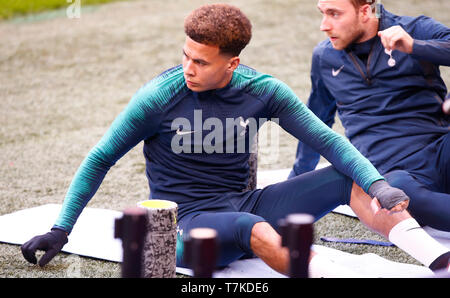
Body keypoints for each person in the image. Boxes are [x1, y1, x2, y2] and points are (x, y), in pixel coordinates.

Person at [21, 3, 449, 276]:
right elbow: (100, 159)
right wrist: (61, 229)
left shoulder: (263, 90)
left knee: (343, 176)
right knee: (250, 227)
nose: (188, 67)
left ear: (233, 63)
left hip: (244, 203)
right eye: (185, 55)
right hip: (187, 223)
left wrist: (378, 186)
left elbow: (329, 142)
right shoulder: (158, 97)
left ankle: (437, 260)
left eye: (201, 62)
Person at [289, 0, 450, 232]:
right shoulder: (325, 57)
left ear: (365, 11)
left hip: (440, 150)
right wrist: (296, 184)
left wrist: (415, 46)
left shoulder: (413, 29)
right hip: (397, 176)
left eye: (334, 14)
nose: (324, 25)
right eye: (322, 13)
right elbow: (315, 125)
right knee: (397, 194)